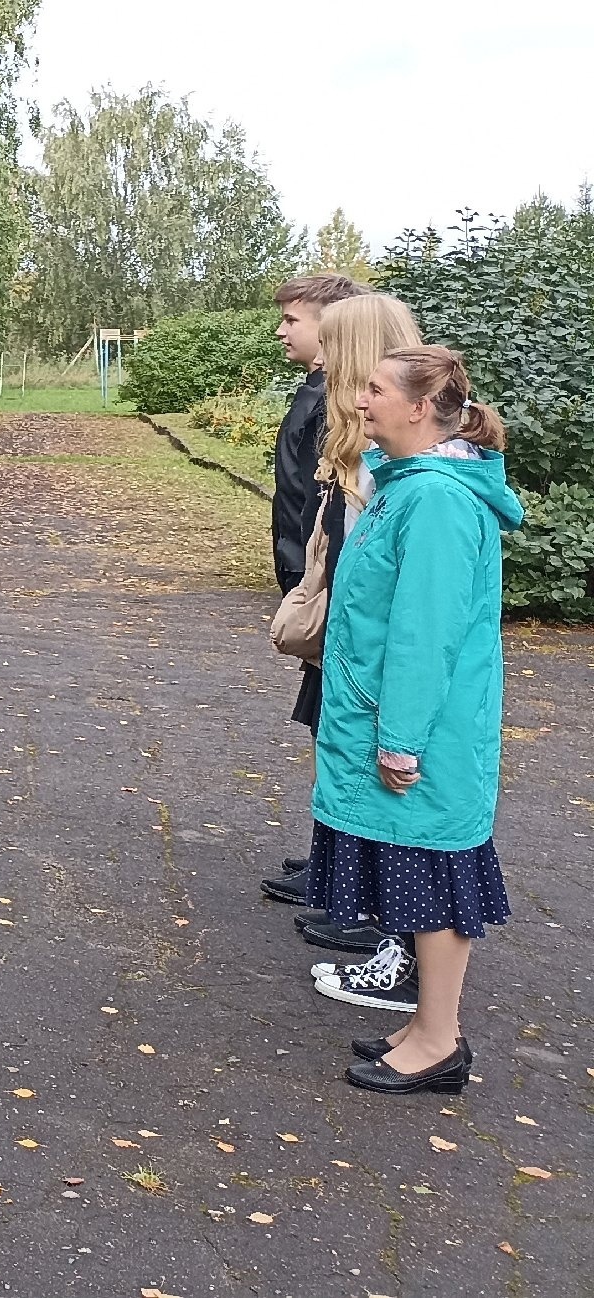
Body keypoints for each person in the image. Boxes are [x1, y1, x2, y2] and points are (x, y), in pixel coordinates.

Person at [301, 345, 521, 1093]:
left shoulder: (434, 500)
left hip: (423, 729)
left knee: (433, 879)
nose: (361, 401)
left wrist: (399, 741)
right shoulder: (411, 487)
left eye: (375, 389)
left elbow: (425, 631)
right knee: (417, 875)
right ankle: (427, 1026)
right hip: (398, 718)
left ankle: (439, 1042)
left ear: (419, 407)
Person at [287, 292, 423, 956]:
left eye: (335, 345)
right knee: (342, 756)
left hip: (372, 654)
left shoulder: (393, 466)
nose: (324, 359)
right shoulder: (356, 444)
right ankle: (357, 897)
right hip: (349, 644)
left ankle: (380, 918)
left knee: (380, 771)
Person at [260, 273, 366, 905]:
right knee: (326, 726)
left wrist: (311, 581)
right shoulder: (317, 393)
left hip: (331, 592)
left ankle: (344, 875)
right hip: (314, 585)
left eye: (293, 320)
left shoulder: (341, 403)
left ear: (332, 328)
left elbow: (330, 507)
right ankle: (332, 862)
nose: (281, 330)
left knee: (342, 729)